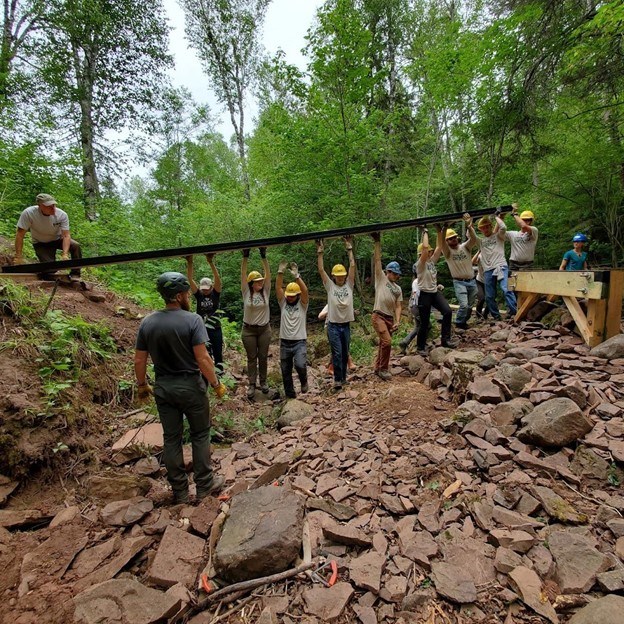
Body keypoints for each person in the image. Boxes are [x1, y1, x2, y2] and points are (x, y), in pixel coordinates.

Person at [134, 271, 226, 504]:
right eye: (185, 292)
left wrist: (142, 385)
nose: (188, 295)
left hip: (164, 387)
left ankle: (180, 492)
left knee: (172, 438)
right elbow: (203, 359)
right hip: (191, 387)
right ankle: (205, 486)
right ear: (177, 296)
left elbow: (139, 360)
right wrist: (215, 384)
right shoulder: (193, 320)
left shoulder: (148, 322)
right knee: (200, 434)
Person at [316, 236, 356, 391]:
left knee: (345, 353)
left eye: (342, 276)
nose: (340, 278)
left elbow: (352, 265)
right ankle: (337, 380)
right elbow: (321, 270)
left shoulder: (349, 285)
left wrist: (349, 249)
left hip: (345, 325)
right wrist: (320, 253)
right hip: (333, 326)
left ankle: (343, 379)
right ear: (333, 276)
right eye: (338, 276)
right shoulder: (330, 287)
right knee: (337, 353)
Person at [14, 193, 82, 279]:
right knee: (50, 270)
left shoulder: (62, 214)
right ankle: (42, 269)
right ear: (40, 205)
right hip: (41, 243)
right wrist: (18, 256)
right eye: (49, 206)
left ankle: (75, 274)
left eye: (53, 205)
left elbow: (66, 235)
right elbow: (20, 235)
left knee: (75, 246)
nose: (53, 208)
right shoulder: (29, 213)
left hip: (58, 239)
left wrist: (65, 254)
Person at [416, 225, 457, 353]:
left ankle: (445, 340)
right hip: (424, 295)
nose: (431, 252)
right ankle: (420, 347)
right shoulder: (420, 264)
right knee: (424, 322)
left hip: (434, 292)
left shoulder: (431, 262)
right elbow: (424, 249)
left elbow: (439, 247)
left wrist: (440, 230)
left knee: (447, 311)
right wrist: (425, 232)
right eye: (429, 251)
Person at [241, 247, 272, 400]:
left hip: (264, 329)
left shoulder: (266, 291)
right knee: (251, 357)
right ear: (252, 283)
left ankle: (264, 381)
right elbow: (242, 275)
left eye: (261, 280)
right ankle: (252, 384)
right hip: (248, 330)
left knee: (263, 356)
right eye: (258, 281)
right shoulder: (246, 292)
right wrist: (245, 257)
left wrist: (263, 256)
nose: (261, 282)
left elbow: (268, 275)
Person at [371, 233, 403, 380]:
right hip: (378, 315)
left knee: (383, 344)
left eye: (397, 274)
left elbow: (398, 305)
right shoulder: (381, 279)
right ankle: (383, 369)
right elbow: (377, 260)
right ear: (387, 272)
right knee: (387, 341)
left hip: (390, 318)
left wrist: (397, 320)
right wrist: (377, 242)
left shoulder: (398, 288)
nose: (396, 276)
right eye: (394, 273)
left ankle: (378, 368)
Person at [276, 260, 309, 398]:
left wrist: (297, 276)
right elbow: (278, 288)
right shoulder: (283, 303)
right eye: (288, 296)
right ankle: (290, 396)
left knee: (300, 365)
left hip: (299, 341)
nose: (289, 298)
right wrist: (280, 272)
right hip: (284, 341)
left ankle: (304, 381)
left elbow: (305, 291)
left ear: (297, 295)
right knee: (285, 370)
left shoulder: (303, 305)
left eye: (292, 296)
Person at [440, 213, 478, 330]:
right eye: (450, 239)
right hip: (459, 282)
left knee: (470, 305)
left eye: (454, 237)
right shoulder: (447, 252)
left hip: (471, 280)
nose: (453, 239)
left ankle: (463, 322)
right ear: (447, 241)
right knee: (464, 304)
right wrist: (444, 228)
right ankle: (458, 322)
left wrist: (468, 226)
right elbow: (441, 243)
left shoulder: (465, 247)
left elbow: (474, 239)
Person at [186, 254, 224, 372]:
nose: (205, 291)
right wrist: (190, 263)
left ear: (211, 287)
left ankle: (220, 375)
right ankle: (207, 374)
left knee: (218, 353)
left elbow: (217, 279)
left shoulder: (215, 294)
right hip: (202, 329)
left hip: (216, 328)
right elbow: (190, 279)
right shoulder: (199, 295)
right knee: (205, 354)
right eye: (203, 289)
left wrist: (210, 262)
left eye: (207, 289)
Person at [477, 213, 517, 320]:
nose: (485, 229)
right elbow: (469, 235)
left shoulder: (499, 236)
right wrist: (468, 223)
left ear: (491, 226)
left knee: (506, 289)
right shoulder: (480, 241)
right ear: (480, 230)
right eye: (483, 228)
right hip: (488, 270)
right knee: (489, 296)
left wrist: (496, 217)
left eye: (487, 226)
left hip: (501, 266)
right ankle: (496, 316)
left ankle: (514, 312)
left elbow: (503, 227)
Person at [318, 305, 356, 373]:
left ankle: (333, 367)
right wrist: (329, 312)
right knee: (337, 348)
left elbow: (352, 314)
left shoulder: (346, 304)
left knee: (343, 346)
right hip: (331, 327)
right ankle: (333, 367)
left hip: (343, 326)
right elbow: (320, 316)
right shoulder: (330, 304)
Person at [506, 205, 539, 271]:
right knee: (512, 281)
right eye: (523, 220)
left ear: (531, 221)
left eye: (528, 220)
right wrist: (501, 217)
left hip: (528, 264)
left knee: (527, 281)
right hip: (513, 264)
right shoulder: (513, 234)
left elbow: (523, 226)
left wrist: (514, 214)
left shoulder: (534, 230)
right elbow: (498, 233)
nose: (526, 221)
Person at [399, 263, 420, 355]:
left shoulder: (422, 280)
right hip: (417, 307)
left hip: (416, 306)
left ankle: (404, 342)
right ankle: (420, 345)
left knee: (418, 327)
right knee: (425, 326)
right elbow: (416, 294)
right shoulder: (416, 281)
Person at [472, 250, 489, 321]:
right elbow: (473, 261)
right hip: (479, 281)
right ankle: (478, 315)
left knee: (490, 300)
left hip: (489, 282)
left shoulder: (493, 256)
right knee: (481, 298)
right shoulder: (480, 255)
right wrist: (479, 251)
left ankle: (485, 315)